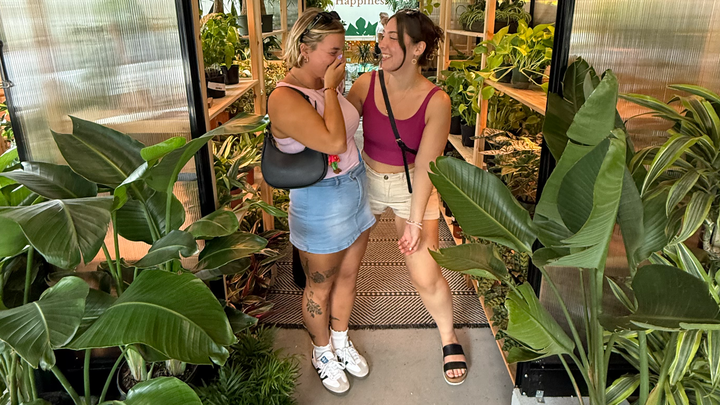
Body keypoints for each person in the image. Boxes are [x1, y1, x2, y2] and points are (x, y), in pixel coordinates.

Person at [346, 9, 468, 385]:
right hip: (366, 177)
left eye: (392, 37)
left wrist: (415, 221)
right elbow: (337, 132)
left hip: (412, 184)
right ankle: (335, 338)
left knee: (425, 273)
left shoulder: (437, 100)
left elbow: (428, 166)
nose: (381, 44)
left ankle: (448, 336)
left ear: (417, 49)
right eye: (382, 35)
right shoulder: (365, 84)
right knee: (345, 265)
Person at [268, 9, 374, 395]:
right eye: (332, 51)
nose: (339, 59)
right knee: (320, 286)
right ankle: (322, 351)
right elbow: (333, 142)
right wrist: (330, 89)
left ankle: (341, 341)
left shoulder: (323, 82)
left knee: (347, 276)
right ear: (304, 49)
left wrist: (331, 87)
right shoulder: (284, 97)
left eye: (341, 50)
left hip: (355, 186)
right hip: (321, 200)